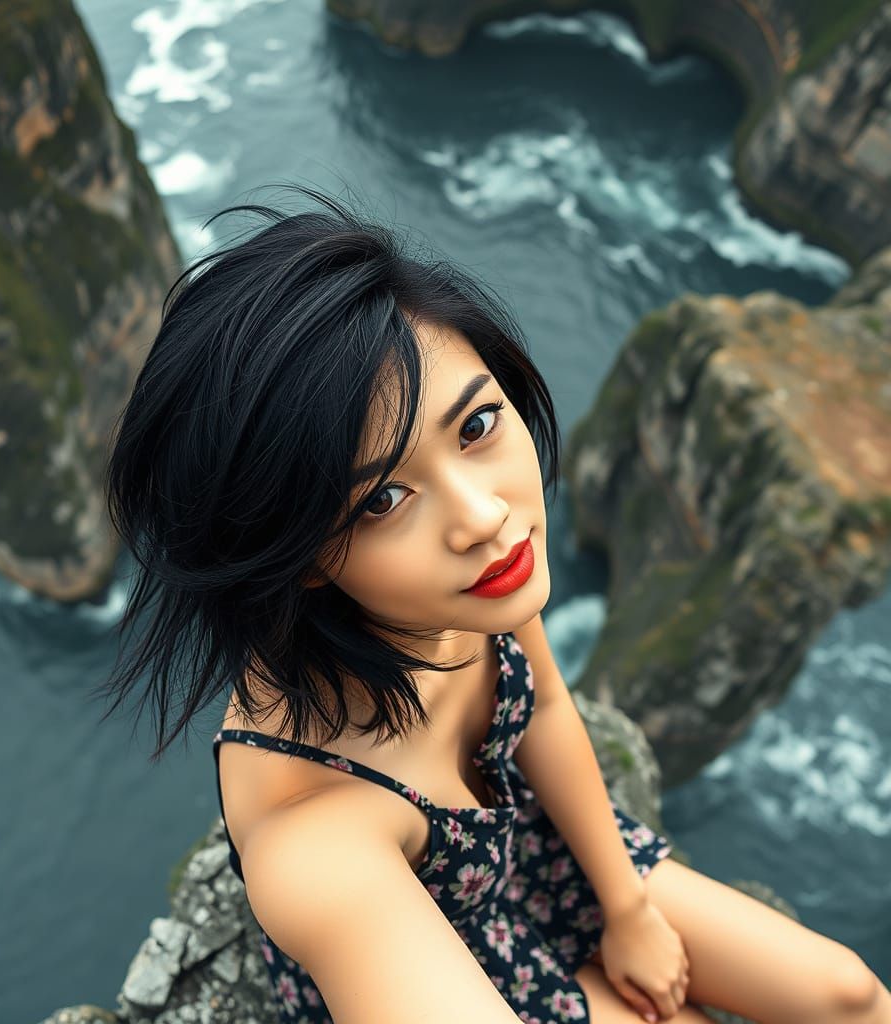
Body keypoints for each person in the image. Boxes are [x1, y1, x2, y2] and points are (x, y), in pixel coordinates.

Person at [95, 184, 891, 1024]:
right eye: (380, 502)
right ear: (302, 559)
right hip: (449, 953)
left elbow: (541, 701)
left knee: (852, 996)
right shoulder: (314, 837)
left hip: (545, 860)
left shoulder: (472, 589)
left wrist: (626, 908)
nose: (483, 518)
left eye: (475, 427)